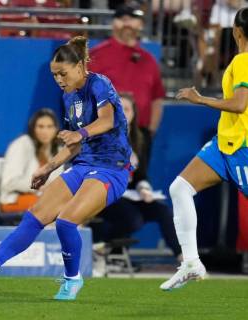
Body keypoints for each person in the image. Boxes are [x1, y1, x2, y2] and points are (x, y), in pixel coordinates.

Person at [0, 36, 132, 301]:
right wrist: (47, 168)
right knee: (36, 214)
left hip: (112, 170)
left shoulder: (100, 84)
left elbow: (106, 121)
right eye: (54, 75)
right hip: (84, 165)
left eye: (63, 73)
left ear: (80, 67)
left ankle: (73, 280)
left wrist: (79, 133)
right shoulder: (68, 96)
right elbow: (73, 146)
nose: (59, 80)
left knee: (66, 221)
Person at [160, 6, 248, 291]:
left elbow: (239, 104)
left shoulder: (244, 61)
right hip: (225, 143)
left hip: (242, 147)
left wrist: (200, 100)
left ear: (236, 31)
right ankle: (191, 263)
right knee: (180, 187)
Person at [91, 93, 182, 265]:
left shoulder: (142, 138)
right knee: (134, 220)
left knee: (163, 211)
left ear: (133, 113)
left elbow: (141, 175)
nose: (122, 113)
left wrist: (144, 189)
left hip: (130, 194)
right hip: (105, 193)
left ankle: (183, 258)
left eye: (126, 109)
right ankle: (100, 243)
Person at [89, 4, 166, 159]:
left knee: (138, 181)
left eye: (133, 19)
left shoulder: (149, 60)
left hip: (140, 133)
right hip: (104, 132)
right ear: (113, 23)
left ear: (141, 25)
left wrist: (150, 131)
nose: (127, 23)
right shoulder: (96, 55)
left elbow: (157, 98)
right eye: (123, 19)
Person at [0, 108, 62, 214]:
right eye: (40, 127)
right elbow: (9, 182)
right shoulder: (21, 145)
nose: (45, 131)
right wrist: (39, 186)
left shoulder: (58, 150)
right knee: (52, 207)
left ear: (56, 129)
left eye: (49, 127)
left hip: (44, 198)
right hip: (14, 199)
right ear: (33, 128)